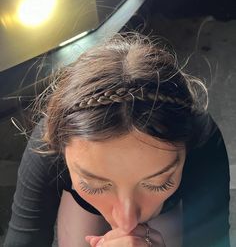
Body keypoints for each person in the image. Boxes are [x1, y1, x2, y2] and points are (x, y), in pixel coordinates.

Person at [4, 33, 230, 247]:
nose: (126, 221)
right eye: (93, 185)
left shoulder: (202, 139)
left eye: (159, 183)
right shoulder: (50, 140)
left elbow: (213, 238)